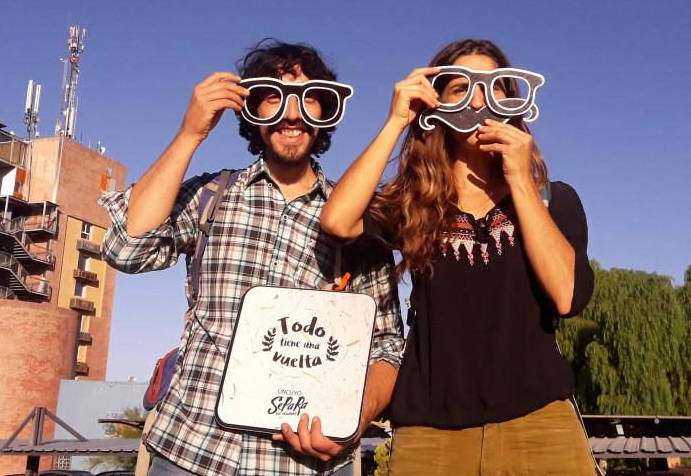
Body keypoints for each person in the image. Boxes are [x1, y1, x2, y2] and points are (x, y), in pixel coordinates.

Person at [99, 39, 404, 476]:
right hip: (189, 452)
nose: (292, 114)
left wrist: (356, 418)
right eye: (273, 97)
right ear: (251, 111)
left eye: (310, 98)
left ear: (328, 112)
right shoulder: (212, 196)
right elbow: (127, 249)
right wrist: (190, 134)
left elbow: (388, 345)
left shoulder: (355, 219)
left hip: (302, 464)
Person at [321, 39, 596, 475]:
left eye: (493, 88)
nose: (478, 101)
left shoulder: (553, 199)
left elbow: (567, 296)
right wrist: (397, 121)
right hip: (431, 435)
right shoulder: (413, 204)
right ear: (436, 106)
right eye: (460, 89)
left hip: (540, 425)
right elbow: (337, 220)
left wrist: (520, 182)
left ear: (513, 100)